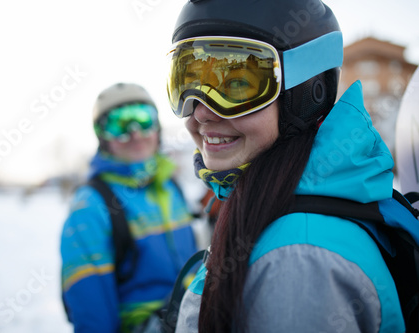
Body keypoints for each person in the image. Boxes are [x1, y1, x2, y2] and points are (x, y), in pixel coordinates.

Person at [166, 0, 405, 332]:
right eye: (188, 81)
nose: (202, 111)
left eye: (237, 84)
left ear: (307, 93)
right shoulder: (273, 213)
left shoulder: (299, 260)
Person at [60, 82, 197, 333]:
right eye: (119, 124)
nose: (135, 133)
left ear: (157, 127)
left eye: (143, 120)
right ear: (103, 137)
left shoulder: (170, 186)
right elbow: (91, 312)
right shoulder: (90, 206)